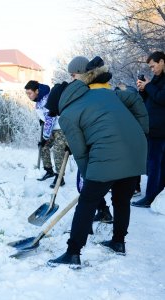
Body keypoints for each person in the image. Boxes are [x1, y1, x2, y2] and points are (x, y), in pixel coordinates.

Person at [47, 56, 148, 267]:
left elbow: (81, 152)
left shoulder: (67, 114)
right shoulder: (102, 93)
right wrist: (142, 129)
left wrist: (88, 177)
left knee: (87, 202)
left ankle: (72, 252)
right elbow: (134, 98)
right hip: (135, 149)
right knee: (121, 200)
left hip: (108, 153)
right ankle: (118, 242)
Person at [132, 51, 165, 208]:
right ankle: (156, 194)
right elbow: (151, 99)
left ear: (162, 62)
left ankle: (150, 197)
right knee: (157, 163)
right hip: (154, 128)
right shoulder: (157, 79)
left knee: (154, 163)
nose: (152, 70)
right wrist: (142, 89)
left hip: (161, 130)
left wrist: (149, 86)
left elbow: (161, 98)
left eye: (153, 66)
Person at [25, 80, 67, 188]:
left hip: (61, 128)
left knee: (58, 150)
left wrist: (45, 136)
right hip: (53, 128)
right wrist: (42, 119)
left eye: (30, 93)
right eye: (27, 94)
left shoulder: (46, 99)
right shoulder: (40, 100)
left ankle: (59, 177)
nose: (28, 96)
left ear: (37, 91)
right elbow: (46, 117)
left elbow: (50, 118)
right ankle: (49, 171)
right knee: (43, 146)